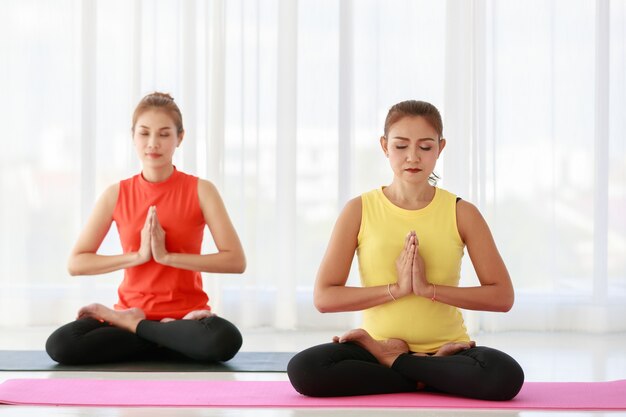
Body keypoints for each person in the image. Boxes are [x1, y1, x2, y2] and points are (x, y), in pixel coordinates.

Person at [287, 100, 524, 401]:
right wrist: (397, 289)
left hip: (448, 351)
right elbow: (324, 297)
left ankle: (399, 364)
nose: (413, 157)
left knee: (504, 376)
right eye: (401, 146)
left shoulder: (462, 212)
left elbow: (502, 297)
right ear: (385, 146)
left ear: (441, 147)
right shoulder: (359, 210)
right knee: (306, 369)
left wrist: (428, 289)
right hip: (374, 348)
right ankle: (423, 373)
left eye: (425, 147)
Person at [46, 92, 246, 365]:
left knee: (224, 339)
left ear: (180, 138)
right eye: (144, 133)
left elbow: (236, 260)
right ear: (133, 137)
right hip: (133, 313)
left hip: (185, 319)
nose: (153, 143)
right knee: (62, 344)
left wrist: (167, 257)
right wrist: (138, 256)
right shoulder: (116, 194)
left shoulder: (201, 191)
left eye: (164, 134)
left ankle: (143, 331)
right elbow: (76, 263)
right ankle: (153, 334)